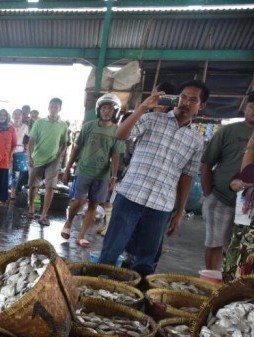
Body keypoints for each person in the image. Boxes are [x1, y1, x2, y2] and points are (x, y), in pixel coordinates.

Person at [98, 80, 209, 276]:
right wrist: (142, 108)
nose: (186, 102)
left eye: (193, 100)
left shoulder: (196, 141)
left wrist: (180, 210)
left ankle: (135, 299)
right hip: (130, 196)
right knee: (110, 252)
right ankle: (96, 293)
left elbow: (187, 177)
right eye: (183, 97)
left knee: (145, 262)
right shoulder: (151, 119)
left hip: (161, 206)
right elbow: (120, 134)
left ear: (201, 106)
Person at [60, 93, 125, 248]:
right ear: (99, 110)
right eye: (104, 108)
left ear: (114, 112)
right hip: (83, 170)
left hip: (103, 174)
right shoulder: (88, 126)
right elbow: (76, 148)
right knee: (79, 200)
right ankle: (68, 222)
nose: (106, 111)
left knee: (94, 205)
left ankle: (81, 236)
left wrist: (113, 177)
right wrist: (68, 168)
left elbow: (116, 156)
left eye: (109, 108)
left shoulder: (117, 131)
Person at [201, 92, 254, 270]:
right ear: (245, 107)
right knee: (215, 244)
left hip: (250, 209)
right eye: (253, 106)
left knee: (242, 251)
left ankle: (233, 290)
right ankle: (212, 284)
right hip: (222, 199)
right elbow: (207, 163)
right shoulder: (229, 131)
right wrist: (209, 195)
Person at [27, 98, 68, 226]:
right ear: (48, 108)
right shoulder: (39, 122)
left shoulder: (63, 125)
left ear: (60, 109)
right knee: (33, 185)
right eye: (52, 106)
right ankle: (31, 207)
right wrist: (30, 156)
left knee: (51, 186)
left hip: (53, 159)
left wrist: (60, 157)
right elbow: (31, 141)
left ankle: (44, 215)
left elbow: (64, 143)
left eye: (56, 106)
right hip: (37, 158)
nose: (54, 108)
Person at [223, 133, 254, 280]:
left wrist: (250, 148)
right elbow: (235, 181)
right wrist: (240, 184)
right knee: (235, 271)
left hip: (248, 231)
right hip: (243, 227)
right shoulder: (250, 167)